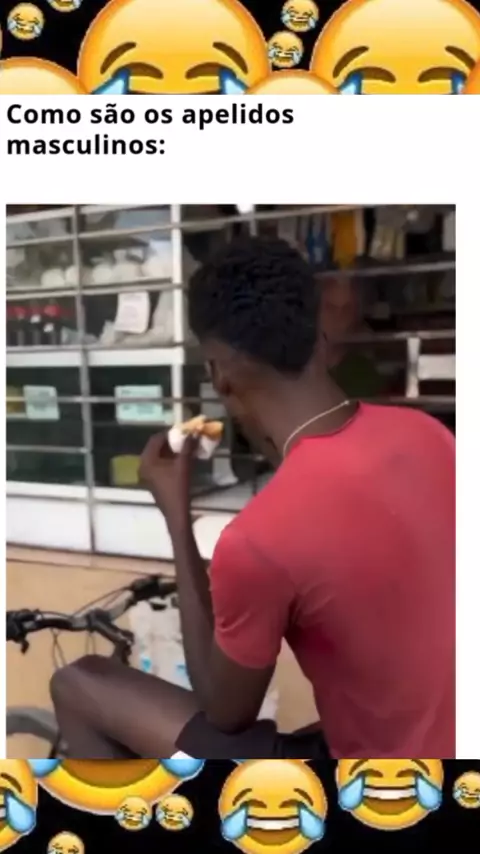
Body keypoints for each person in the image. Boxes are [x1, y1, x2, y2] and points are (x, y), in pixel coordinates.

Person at [50, 236, 455, 759]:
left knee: (79, 683)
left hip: (385, 781)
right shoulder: (430, 436)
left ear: (218, 375)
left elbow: (225, 712)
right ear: (320, 337)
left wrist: (177, 518)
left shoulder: (260, 540)